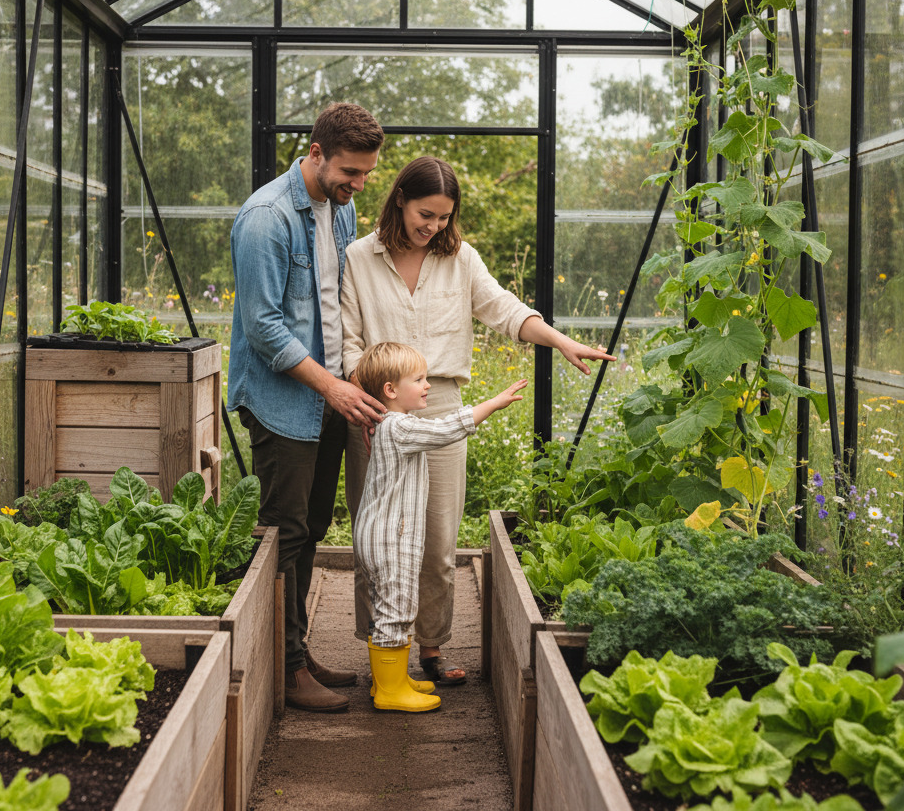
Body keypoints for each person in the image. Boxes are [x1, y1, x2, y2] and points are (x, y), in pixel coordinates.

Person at [342, 156, 616, 685]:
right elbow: (351, 341)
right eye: (425, 214)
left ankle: (430, 650)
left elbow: (506, 310)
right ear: (399, 198)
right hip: (375, 410)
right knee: (375, 538)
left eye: (444, 218)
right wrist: (371, 395)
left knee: (438, 541)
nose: (433, 227)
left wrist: (560, 341)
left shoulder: (460, 259)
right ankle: (382, 656)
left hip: (439, 402)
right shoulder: (358, 257)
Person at [228, 102, 388, 713]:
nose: (358, 185)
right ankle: (284, 667)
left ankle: (296, 648)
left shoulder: (336, 208)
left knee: (314, 526)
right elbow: (264, 329)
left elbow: (334, 301)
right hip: (282, 399)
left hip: (327, 393)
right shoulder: (267, 218)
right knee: (284, 533)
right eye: (350, 172)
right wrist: (333, 388)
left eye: (367, 174)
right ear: (315, 152)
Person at [354, 341, 527, 712]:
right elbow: (448, 429)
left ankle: (393, 680)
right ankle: (389, 692)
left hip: (380, 535)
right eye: (419, 379)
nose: (427, 385)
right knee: (396, 611)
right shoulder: (399, 428)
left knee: (388, 610)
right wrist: (493, 403)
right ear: (391, 390)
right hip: (391, 539)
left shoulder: (390, 425)